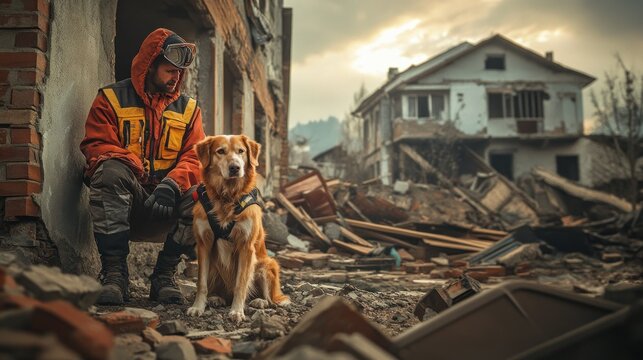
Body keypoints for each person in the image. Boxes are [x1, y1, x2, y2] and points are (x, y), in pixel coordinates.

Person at [80, 28, 205, 305]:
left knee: (205, 197)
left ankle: (164, 276)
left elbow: (197, 157)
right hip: (126, 203)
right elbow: (96, 146)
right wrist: (138, 169)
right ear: (150, 65)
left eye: (179, 72)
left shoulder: (189, 110)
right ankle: (114, 274)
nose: (176, 77)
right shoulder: (110, 99)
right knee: (110, 171)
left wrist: (172, 184)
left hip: (168, 206)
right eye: (169, 70)